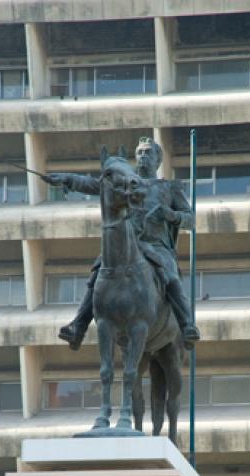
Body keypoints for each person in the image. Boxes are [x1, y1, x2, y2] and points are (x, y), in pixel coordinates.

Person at [43, 136, 200, 350]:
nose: (143, 157)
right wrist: (66, 178)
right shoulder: (125, 182)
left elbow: (190, 219)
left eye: (148, 153)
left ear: (158, 160)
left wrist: (170, 214)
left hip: (156, 247)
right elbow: (93, 184)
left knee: (170, 274)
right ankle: (77, 327)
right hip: (126, 245)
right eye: (140, 153)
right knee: (99, 271)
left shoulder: (169, 188)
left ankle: (186, 324)